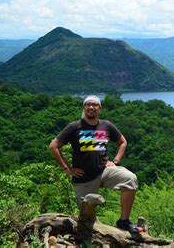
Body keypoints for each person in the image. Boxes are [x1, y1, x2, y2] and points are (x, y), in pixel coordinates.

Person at [49, 95, 139, 232]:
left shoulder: (106, 125)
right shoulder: (75, 126)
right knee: (87, 219)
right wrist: (66, 168)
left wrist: (115, 161)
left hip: (104, 171)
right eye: (88, 105)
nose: (91, 107)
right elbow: (53, 146)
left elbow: (122, 142)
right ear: (84, 107)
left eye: (95, 105)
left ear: (99, 108)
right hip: (83, 177)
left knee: (130, 179)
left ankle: (124, 221)